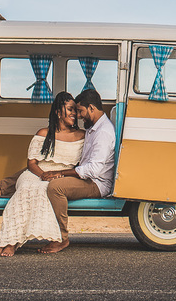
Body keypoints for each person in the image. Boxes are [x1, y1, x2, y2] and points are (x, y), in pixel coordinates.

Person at [0, 92, 84, 257]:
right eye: (70, 109)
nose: (74, 114)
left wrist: (56, 175)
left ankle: (13, 242)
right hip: (38, 172)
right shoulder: (43, 133)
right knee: (25, 188)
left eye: (75, 111)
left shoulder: (81, 136)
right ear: (57, 111)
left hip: (62, 175)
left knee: (42, 190)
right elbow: (32, 163)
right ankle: (7, 241)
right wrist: (43, 174)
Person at [34, 87, 117, 254]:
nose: (78, 116)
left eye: (80, 111)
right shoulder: (93, 128)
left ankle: (61, 239)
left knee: (56, 187)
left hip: (96, 183)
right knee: (45, 171)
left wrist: (61, 173)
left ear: (92, 108)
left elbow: (94, 169)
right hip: (87, 178)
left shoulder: (103, 133)